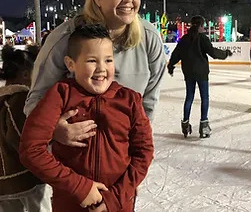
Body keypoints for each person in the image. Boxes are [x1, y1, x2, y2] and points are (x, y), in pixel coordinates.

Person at [24, 0, 166, 147]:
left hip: (119, 155)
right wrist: (56, 129)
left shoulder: (149, 38)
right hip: (74, 160)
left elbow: (149, 102)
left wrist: (136, 146)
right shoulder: (66, 38)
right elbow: (35, 100)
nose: (129, 0)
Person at [20, 24, 154, 212]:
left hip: (117, 205)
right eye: (92, 60)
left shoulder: (129, 100)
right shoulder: (60, 95)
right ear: (70, 64)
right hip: (70, 204)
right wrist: (79, 188)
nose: (101, 69)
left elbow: (143, 152)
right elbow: (31, 150)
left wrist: (116, 196)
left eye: (108, 60)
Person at [0, 45, 52, 212]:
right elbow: (21, 138)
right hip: (25, 178)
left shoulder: (3, 100)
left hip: (4, 183)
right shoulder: (19, 100)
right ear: (26, 74)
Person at [167, 15, 232, 138]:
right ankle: (204, 126)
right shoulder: (202, 38)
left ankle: (185, 124)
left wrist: (171, 65)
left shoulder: (185, 39)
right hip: (201, 72)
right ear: (201, 26)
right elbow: (212, 52)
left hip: (188, 72)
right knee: (204, 98)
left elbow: (176, 54)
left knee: (189, 97)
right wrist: (225, 54)